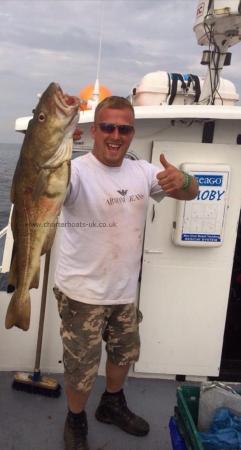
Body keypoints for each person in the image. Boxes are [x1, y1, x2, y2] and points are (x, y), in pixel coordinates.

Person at [53, 96, 198, 450]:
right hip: (81, 293)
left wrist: (184, 179)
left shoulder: (143, 171)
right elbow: (45, 189)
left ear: (131, 133)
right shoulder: (74, 172)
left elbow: (191, 193)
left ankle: (111, 404)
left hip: (124, 292)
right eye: (108, 127)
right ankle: (76, 419)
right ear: (94, 130)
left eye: (124, 128)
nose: (115, 135)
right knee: (81, 368)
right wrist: (53, 139)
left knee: (123, 354)